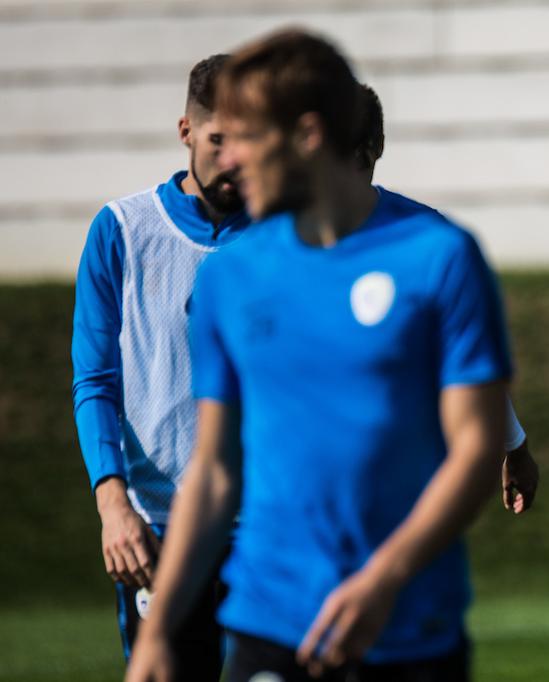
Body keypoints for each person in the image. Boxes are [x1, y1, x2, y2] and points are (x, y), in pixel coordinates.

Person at [127, 30, 517, 682]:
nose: (232, 160)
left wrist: (384, 578)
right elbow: (215, 471)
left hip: (410, 628)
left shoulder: (440, 257)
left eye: (248, 138)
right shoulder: (232, 277)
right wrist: (157, 630)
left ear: (307, 135)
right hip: (268, 622)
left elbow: (477, 450)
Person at [71, 54, 248, 680]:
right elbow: (94, 380)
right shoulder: (121, 229)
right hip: (157, 525)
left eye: (246, 141)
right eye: (217, 139)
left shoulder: (287, 236)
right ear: (186, 132)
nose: (231, 158)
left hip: (263, 525)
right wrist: (111, 503)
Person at [353, 83, 538, 514]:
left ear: (377, 146)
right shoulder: (272, 245)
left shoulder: (430, 238)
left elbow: (465, 355)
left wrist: (514, 445)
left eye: (357, 142)